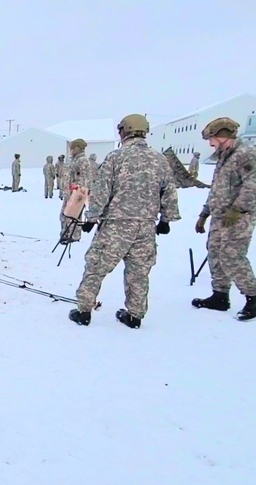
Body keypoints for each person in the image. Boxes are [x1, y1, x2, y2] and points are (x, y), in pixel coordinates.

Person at [69, 114, 181, 328]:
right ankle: (135, 315)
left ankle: (83, 311)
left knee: (96, 267)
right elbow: (169, 191)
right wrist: (166, 219)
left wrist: (92, 217)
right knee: (139, 272)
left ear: (124, 131)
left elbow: (102, 189)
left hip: (117, 226)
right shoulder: (159, 160)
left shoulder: (116, 157)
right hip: (146, 227)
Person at [191, 117, 256, 321]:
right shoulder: (224, 156)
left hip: (239, 217)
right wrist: (204, 214)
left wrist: (238, 210)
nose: (210, 144)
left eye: (212, 139)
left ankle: (254, 298)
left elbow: (253, 187)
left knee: (231, 256)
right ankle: (220, 296)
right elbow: (217, 189)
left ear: (223, 136)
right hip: (219, 215)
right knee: (215, 253)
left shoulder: (248, 155)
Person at [59, 139, 95, 245]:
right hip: (69, 194)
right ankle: (66, 234)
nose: (70, 150)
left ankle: (74, 236)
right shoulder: (74, 160)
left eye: (72, 148)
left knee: (74, 216)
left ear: (78, 148)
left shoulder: (82, 161)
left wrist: (78, 192)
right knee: (64, 215)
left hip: (76, 194)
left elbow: (83, 179)